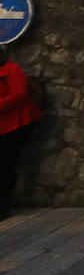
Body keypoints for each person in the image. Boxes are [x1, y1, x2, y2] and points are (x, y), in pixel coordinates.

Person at [0, 48, 42, 220]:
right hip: (4, 124)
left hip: (17, 123)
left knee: (6, 163)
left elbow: (19, 95)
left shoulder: (13, 70)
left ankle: (3, 203)